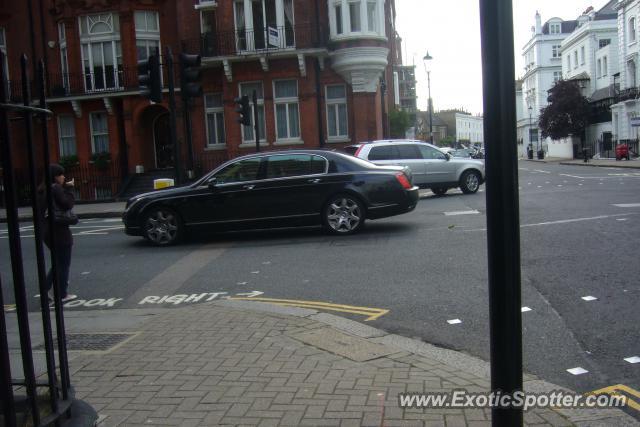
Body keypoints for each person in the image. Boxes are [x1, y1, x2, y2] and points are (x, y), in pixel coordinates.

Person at [38, 164, 77, 303]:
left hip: (47, 232)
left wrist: (64, 187)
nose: (63, 177)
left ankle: (44, 291)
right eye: (61, 174)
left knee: (57, 263)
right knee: (63, 264)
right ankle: (62, 294)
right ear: (55, 177)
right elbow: (67, 204)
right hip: (60, 231)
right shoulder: (56, 188)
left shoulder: (42, 190)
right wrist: (70, 189)